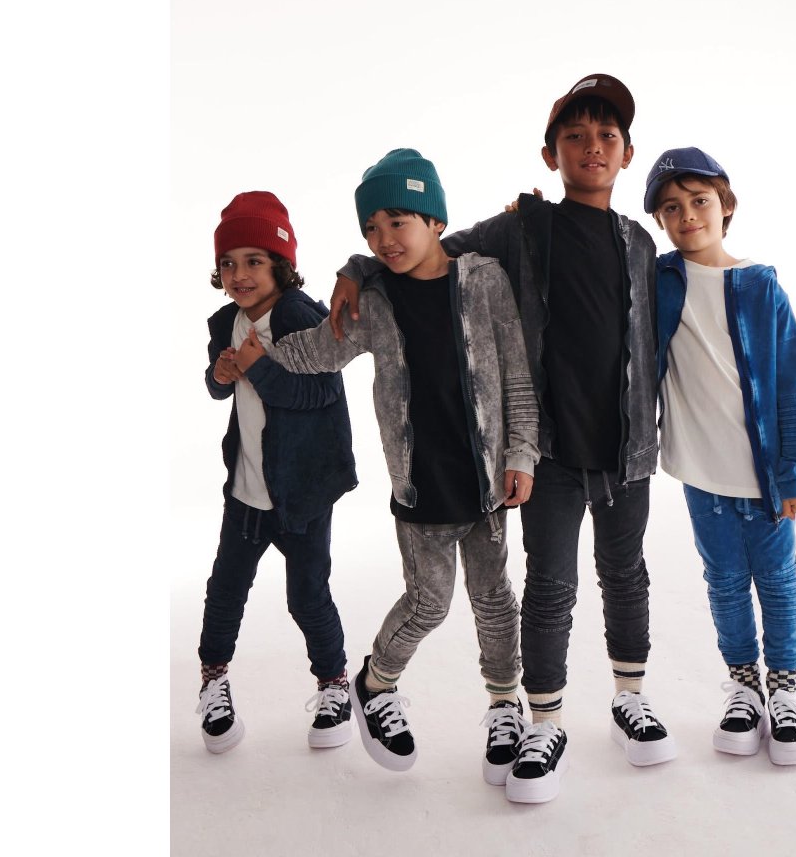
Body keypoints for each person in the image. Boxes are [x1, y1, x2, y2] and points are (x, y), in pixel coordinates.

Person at [329, 76, 677, 804]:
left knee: (626, 575)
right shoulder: (520, 229)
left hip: (627, 452)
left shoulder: (641, 242)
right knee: (549, 588)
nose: (591, 147)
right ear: (551, 154)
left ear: (627, 152)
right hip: (547, 451)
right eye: (574, 137)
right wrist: (357, 267)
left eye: (607, 136)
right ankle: (544, 722)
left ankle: (631, 697)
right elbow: (428, 253)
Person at [236, 148, 539, 782]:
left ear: (435, 221)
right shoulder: (373, 300)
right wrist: (258, 358)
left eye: (397, 221)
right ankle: (375, 682)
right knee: (429, 603)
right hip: (421, 486)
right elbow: (319, 351)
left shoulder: (484, 280)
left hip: (486, 484)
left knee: (494, 598)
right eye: (371, 228)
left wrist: (521, 453)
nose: (383, 239)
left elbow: (516, 376)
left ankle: (504, 704)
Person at [645, 146, 796, 766]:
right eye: (671, 208)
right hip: (700, 471)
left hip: (764, 474)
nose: (687, 215)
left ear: (725, 206)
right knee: (723, 581)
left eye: (699, 201)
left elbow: (794, 381)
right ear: (659, 221)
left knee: (776, 580)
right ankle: (744, 686)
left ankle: (786, 689)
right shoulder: (658, 280)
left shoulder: (759, 285)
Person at [198, 191, 358, 754]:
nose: (239, 275)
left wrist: (257, 368)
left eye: (254, 261)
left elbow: (320, 393)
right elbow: (218, 387)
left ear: (282, 265)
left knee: (307, 596)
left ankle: (335, 684)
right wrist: (222, 374)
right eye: (228, 263)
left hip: (302, 493)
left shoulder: (299, 317)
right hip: (247, 491)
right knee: (225, 589)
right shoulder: (227, 321)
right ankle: (213, 680)